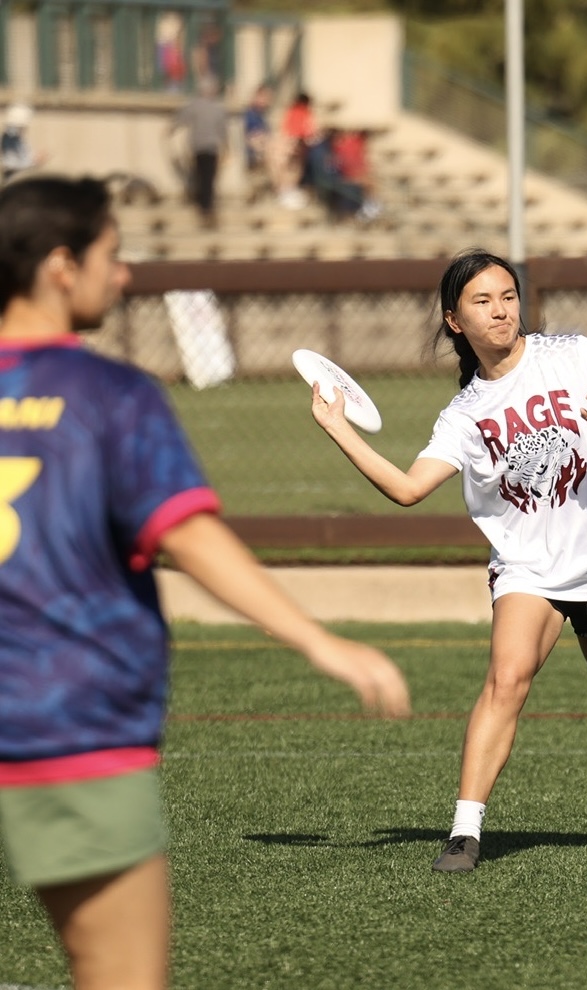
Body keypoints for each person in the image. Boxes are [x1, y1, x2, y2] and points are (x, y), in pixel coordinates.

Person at [0, 175, 411, 989]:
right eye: (111, 257)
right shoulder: (110, 395)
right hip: (68, 726)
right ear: (59, 266)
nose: (123, 278)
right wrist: (319, 641)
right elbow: (187, 534)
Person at [308, 247, 587, 873]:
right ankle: (465, 831)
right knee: (506, 681)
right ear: (455, 320)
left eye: (508, 296)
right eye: (483, 301)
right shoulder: (464, 415)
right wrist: (337, 426)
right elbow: (406, 489)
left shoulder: (576, 353)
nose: (501, 310)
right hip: (527, 568)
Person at [168, 74, 228, 227]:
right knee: (208, 178)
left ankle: (204, 207)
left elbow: (181, 119)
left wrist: (171, 129)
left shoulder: (193, 105)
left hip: (197, 146)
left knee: (202, 177)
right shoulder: (217, 108)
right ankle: (207, 208)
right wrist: (226, 146)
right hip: (210, 147)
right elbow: (223, 131)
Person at [243, 82, 274, 203]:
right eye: (266, 97)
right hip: (253, 153)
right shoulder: (249, 114)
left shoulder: (261, 116)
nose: (268, 101)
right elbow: (249, 136)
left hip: (263, 151)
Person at [1, 103, 47, 184]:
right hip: (13, 180)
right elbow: (11, 163)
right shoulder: (11, 137)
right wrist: (35, 162)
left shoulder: (17, 137)